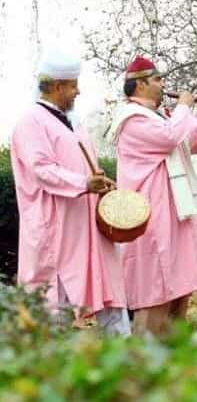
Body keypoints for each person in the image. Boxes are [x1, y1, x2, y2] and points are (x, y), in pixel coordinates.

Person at [10, 50, 129, 335]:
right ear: (57, 86)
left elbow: (86, 167)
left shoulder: (73, 122)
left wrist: (99, 183)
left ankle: (126, 359)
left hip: (87, 226)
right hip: (55, 229)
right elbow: (41, 169)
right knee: (56, 303)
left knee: (109, 292)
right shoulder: (31, 121)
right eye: (74, 85)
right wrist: (83, 184)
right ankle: (50, 371)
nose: (78, 91)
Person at [109, 56, 197, 335]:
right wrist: (184, 105)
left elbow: (190, 145)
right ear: (141, 84)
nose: (162, 85)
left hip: (176, 211)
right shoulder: (132, 120)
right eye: (157, 80)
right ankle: (145, 358)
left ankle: (173, 357)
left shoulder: (160, 117)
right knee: (156, 289)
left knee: (180, 288)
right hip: (153, 214)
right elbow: (170, 138)